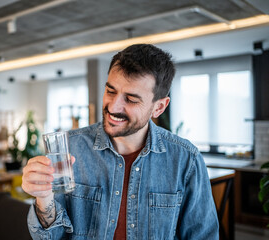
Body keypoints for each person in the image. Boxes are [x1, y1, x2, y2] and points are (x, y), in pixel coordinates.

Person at [22, 44, 219, 239]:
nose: (114, 106)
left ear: (159, 107)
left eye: (131, 99)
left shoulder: (186, 159)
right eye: (110, 91)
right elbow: (49, 237)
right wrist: (43, 197)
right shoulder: (70, 148)